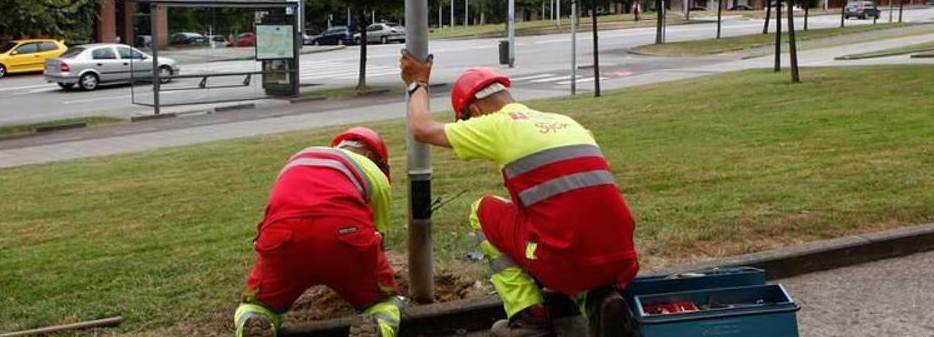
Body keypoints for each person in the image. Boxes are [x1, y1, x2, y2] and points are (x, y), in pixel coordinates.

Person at [399, 52, 639, 337]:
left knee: (483, 211)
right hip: (621, 258)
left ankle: (529, 315)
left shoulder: (498, 125)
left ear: (474, 112)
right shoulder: (567, 122)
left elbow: (422, 128)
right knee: (567, 232)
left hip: (564, 260)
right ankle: (599, 302)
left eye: (465, 120)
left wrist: (417, 84)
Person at [233, 127, 402, 337]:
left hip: (282, 235)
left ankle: (252, 322)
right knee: (385, 303)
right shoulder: (372, 170)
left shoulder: (298, 159)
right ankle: (378, 326)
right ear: (370, 156)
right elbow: (379, 235)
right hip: (344, 233)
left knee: (258, 304)